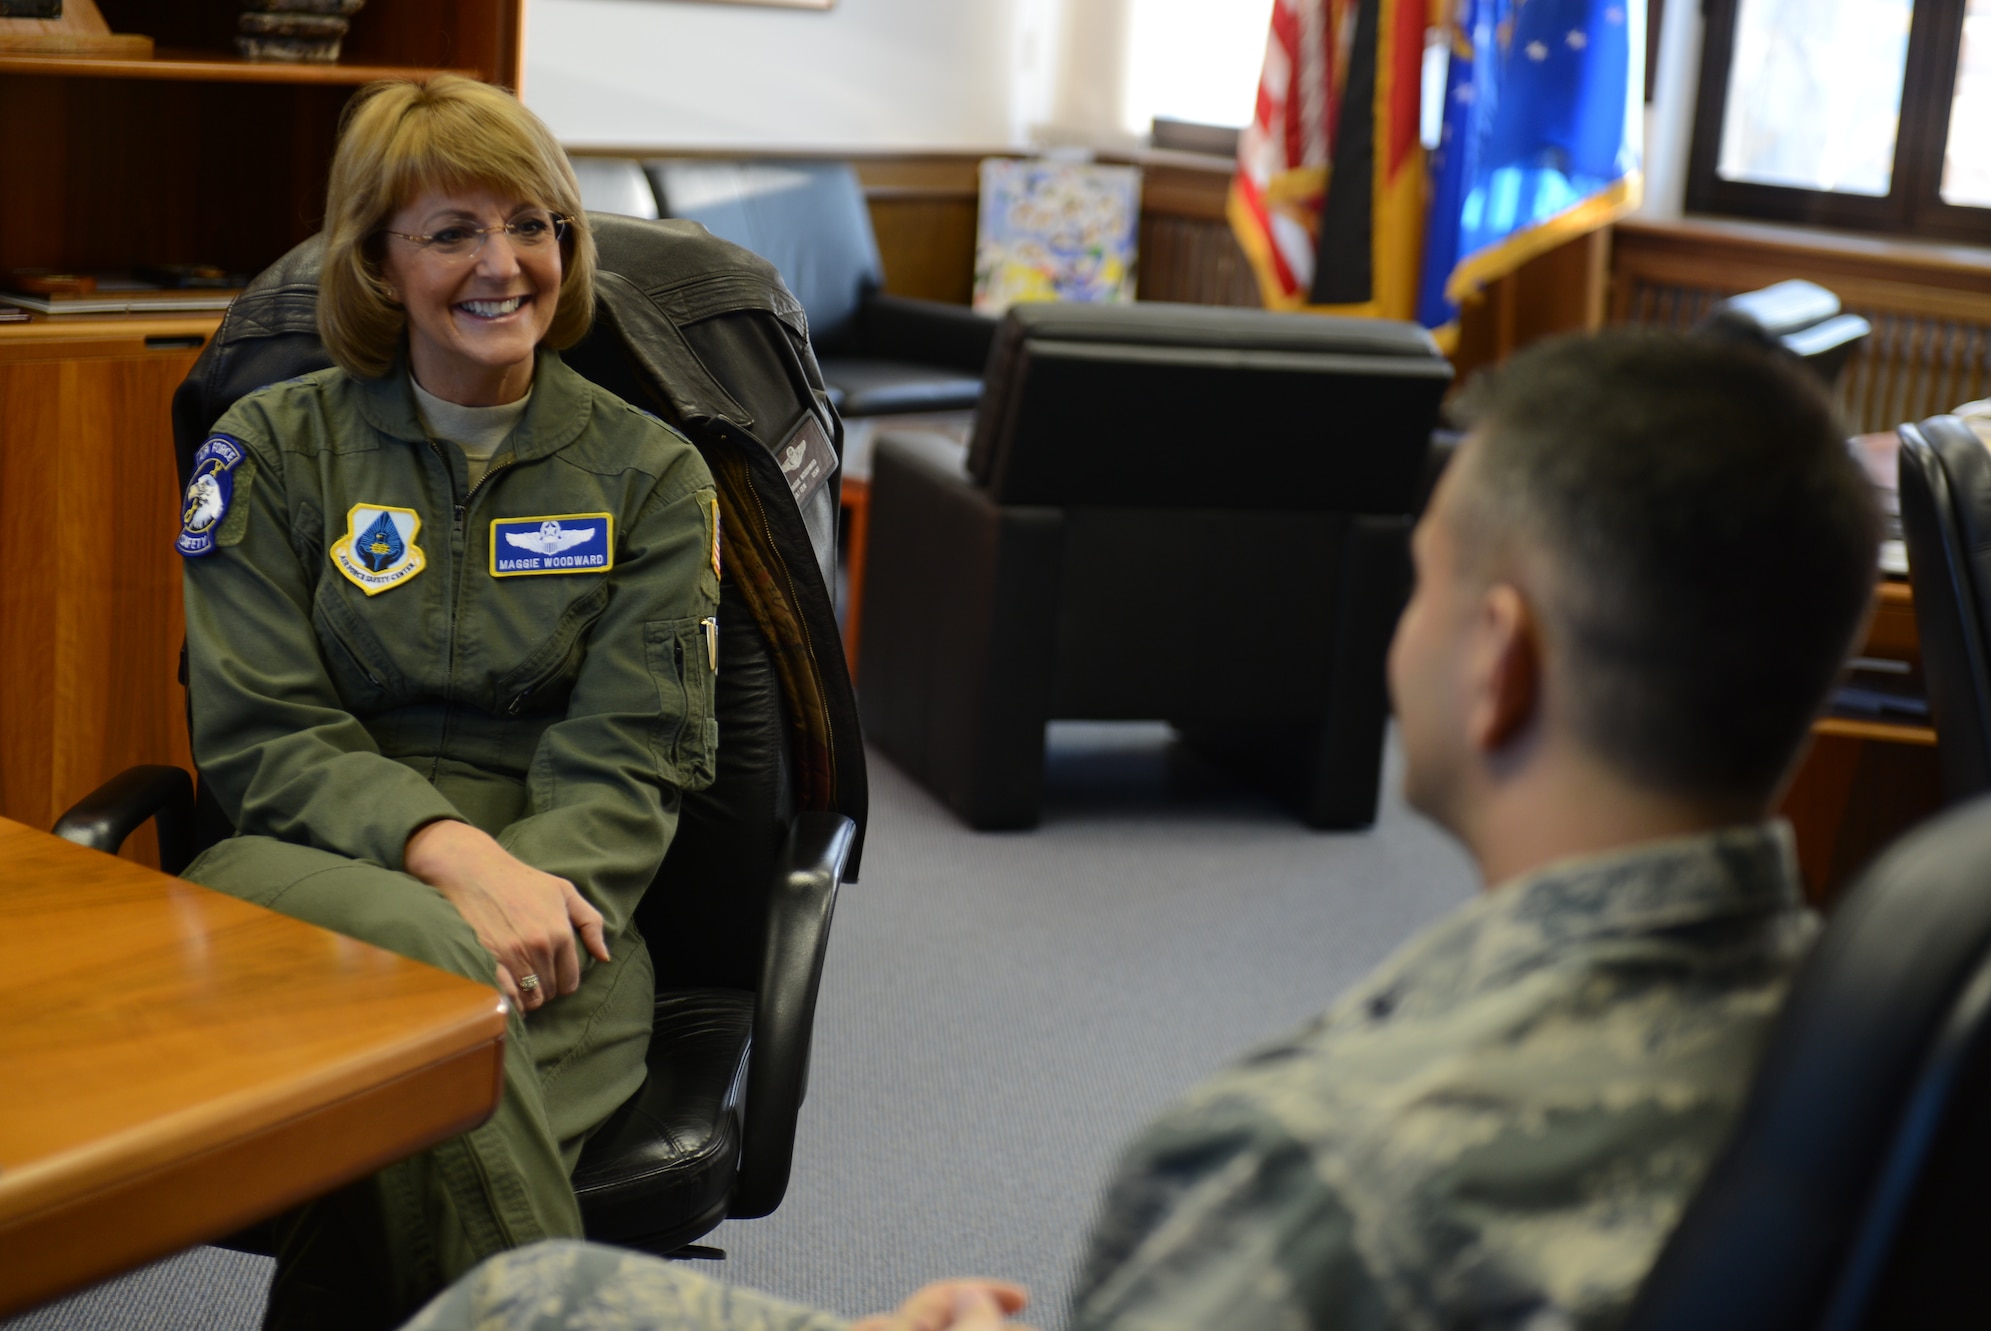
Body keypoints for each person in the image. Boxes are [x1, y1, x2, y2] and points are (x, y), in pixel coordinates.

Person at [394, 327, 1881, 1331]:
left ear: (1501, 662)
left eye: (1422, 579)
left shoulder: (1304, 1158)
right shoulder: (1879, 1039)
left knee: (514, 1301)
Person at [176, 74, 721, 1328]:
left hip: (565, 909)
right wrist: (451, 860)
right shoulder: (269, 448)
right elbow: (264, 734)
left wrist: (531, 899)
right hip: (299, 878)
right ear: (376, 262)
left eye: (532, 225)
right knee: (426, 969)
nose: (504, 263)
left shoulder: (650, 472)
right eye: (453, 231)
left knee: (394, 1137)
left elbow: (630, 754)